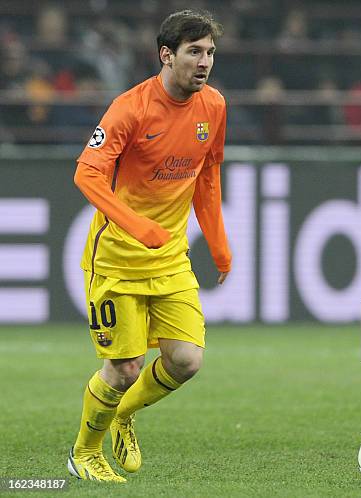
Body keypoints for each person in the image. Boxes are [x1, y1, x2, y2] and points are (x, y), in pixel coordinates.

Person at [67, 10, 231, 482]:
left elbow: (208, 175)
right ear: (167, 54)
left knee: (186, 360)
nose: (204, 62)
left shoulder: (214, 107)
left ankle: (123, 415)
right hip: (116, 259)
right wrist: (137, 224)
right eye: (194, 52)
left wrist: (218, 245)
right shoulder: (131, 108)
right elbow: (87, 173)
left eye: (210, 53)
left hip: (170, 256)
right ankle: (84, 453)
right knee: (122, 368)